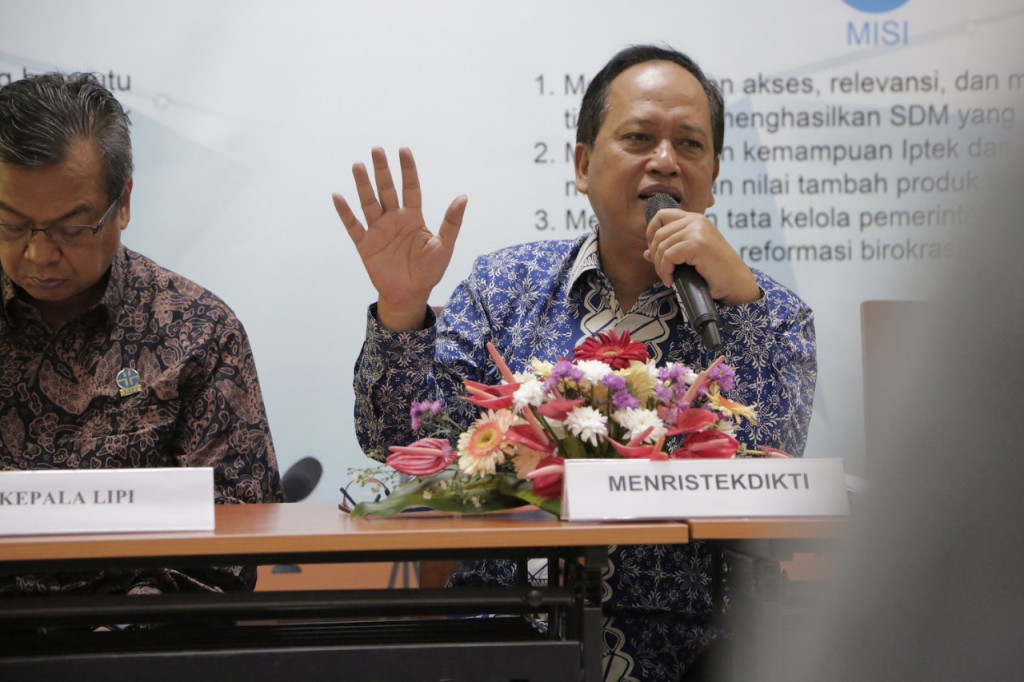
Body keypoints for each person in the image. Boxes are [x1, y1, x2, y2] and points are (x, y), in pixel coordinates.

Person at [336, 45, 816, 681]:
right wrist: (402, 309)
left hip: (689, 650)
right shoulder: (504, 286)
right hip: (505, 631)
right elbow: (399, 443)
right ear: (584, 166)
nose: (665, 161)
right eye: (639, 138)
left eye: (690, 144)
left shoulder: (772, 311)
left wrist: (741, 308)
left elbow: (771, 466)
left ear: (714, 174)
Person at [0, 72, 283, 598]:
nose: (39, 254)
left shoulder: (197, 331)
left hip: (139, 630)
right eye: (13, 225)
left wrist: (123, 631)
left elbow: (234, 531)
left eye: (70, 228)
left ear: (123, 202)